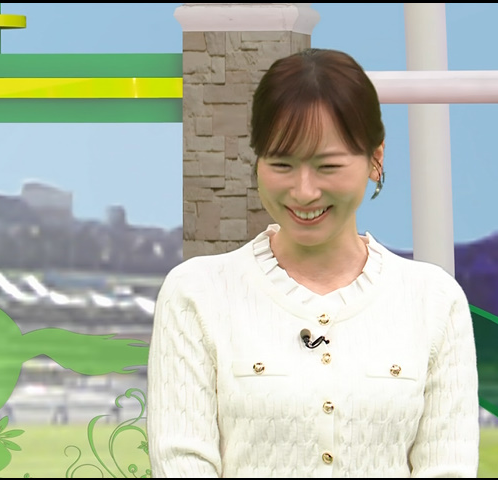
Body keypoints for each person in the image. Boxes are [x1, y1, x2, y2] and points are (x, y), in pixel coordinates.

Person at [147, 48, 479, 478]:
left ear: (375, 159)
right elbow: (182, 461)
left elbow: (447, 468)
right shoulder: (198, 293)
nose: (304, 192)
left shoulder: (433, 300)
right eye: (282, 164)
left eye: (328, 166)